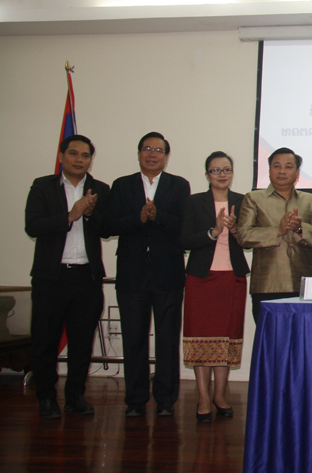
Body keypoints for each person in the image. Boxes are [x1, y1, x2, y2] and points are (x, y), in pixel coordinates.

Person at [25, 134, 110, 420]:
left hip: (87, 277)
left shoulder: (100, 189)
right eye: (73, 153)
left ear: (90, 160)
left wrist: (90, 215)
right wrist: (71, 215)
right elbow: (33, 226)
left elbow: (107, 229)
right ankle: (47, 398)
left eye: (85, 155)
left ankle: (75, 396)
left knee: (82, 342)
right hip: (51, 277)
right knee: (45, 342)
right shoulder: (43, 186)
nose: (79, 159)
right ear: (62, 156)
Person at [105, 131, 190, 418]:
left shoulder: (179, 185)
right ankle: (136, 400)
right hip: (132, 274)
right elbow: (109, 225)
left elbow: (184, 225)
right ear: (139, 153)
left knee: (167, 339)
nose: (152, 154)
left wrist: (157, 216)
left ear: (166, 156)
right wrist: (138, 218)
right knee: (134, 339)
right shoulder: (122, 185)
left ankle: (166, 400)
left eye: (158, 150)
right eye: (147, 149)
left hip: (168, 274)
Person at [180, 152, 250, 423]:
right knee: (201, 337)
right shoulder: (194, 202)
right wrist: (213, 231)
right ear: (207, 174)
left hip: (232, 278)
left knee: (225, 338)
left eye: (226, 169)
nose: (222, 175)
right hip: (201, 278)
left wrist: (234, 230)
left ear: (232, 172)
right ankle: (203, 397)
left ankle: (220, 396)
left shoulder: (242, 201)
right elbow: (184, 239)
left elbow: (249, 239)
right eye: (215, 170)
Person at [236, 148, 312, 323]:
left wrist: (300, 229)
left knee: (302, 336)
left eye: (288, 167)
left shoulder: (310, 200)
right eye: (277, 166)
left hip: (302, 285)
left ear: (297, 173)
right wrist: (277, 230)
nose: (282, 171)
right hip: (266, 285)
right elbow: (243, 236)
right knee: (269, 337)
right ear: (269, 170)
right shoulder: (253, 198)